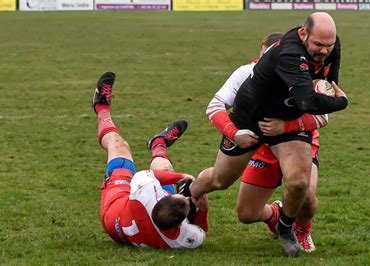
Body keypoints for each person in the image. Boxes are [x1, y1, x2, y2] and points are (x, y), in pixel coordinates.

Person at [181, 12, 348, 257]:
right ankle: (188, 193)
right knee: (221, 181)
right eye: (318, 45)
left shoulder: (328, 47)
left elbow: (325, 93)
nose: (324, 50)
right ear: (303, 34)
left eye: (328, 45)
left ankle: (286, 226)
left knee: (301, 183)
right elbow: (309, 100)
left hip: (287, 123)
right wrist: (234, 133)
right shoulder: (285, 56)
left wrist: (288, 127)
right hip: (251, 121)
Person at [206, 32, 334, 253]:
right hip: (262, 146)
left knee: (306, 194)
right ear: (262, 52)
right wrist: (235, 132)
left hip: (298, 139)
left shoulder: (303, 73)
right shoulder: (247, 73)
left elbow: (324, 116)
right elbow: (215, 105)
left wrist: (287, 127)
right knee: (246, 214)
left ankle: (301, 230)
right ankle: (276, 214)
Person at [93, 71, 209, 249]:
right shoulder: (182, 239)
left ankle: (101, 107)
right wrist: (203, 210)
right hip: (136, 219)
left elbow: (150, 175)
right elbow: (202, 231)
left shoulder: (144, 192)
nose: (188, 199)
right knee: (166, 169)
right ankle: (159, 143)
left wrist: (182, 177)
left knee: (119, 146)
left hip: (114, 208)